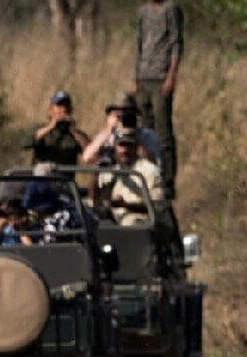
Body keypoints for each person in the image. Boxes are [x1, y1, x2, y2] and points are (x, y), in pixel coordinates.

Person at [134, 0, 183, 199]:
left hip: (161, 77)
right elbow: (139, 43)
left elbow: (176, 42)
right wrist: (135, 76)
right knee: (145, 131)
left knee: (163, 132)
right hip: (144, 77)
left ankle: (168, 182)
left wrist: (171, 75)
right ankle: (149, 176)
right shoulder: (143, 11)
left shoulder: (170, 9)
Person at [96, 128, 164, 226]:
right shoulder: (109, 172)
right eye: (121, 145)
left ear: (136, 147)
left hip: (139, 221)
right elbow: (96, 202)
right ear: (115, 147)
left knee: (130, 222)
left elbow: (157, 206)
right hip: (113, 221)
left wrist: (125, 205)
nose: (125, 150)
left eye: (129, 146)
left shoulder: (150, 171)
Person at [81, 92, 161, 167]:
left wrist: (135, 138)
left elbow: (155, 163)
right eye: (118, 116)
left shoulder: (146, 135)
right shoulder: (107, 136)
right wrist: (108, 131)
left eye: (127, 114)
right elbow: (87, 157)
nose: (123, 119)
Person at [27, 91, 90, 166]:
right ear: (50, 110)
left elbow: (90, 152)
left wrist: (74, 131)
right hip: (42, 176)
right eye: (59, 106)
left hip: (64, 177)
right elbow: (28, 141)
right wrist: (51, 126)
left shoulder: (76, 134)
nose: (63, 110)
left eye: (66, 106)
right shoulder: (41, 129)